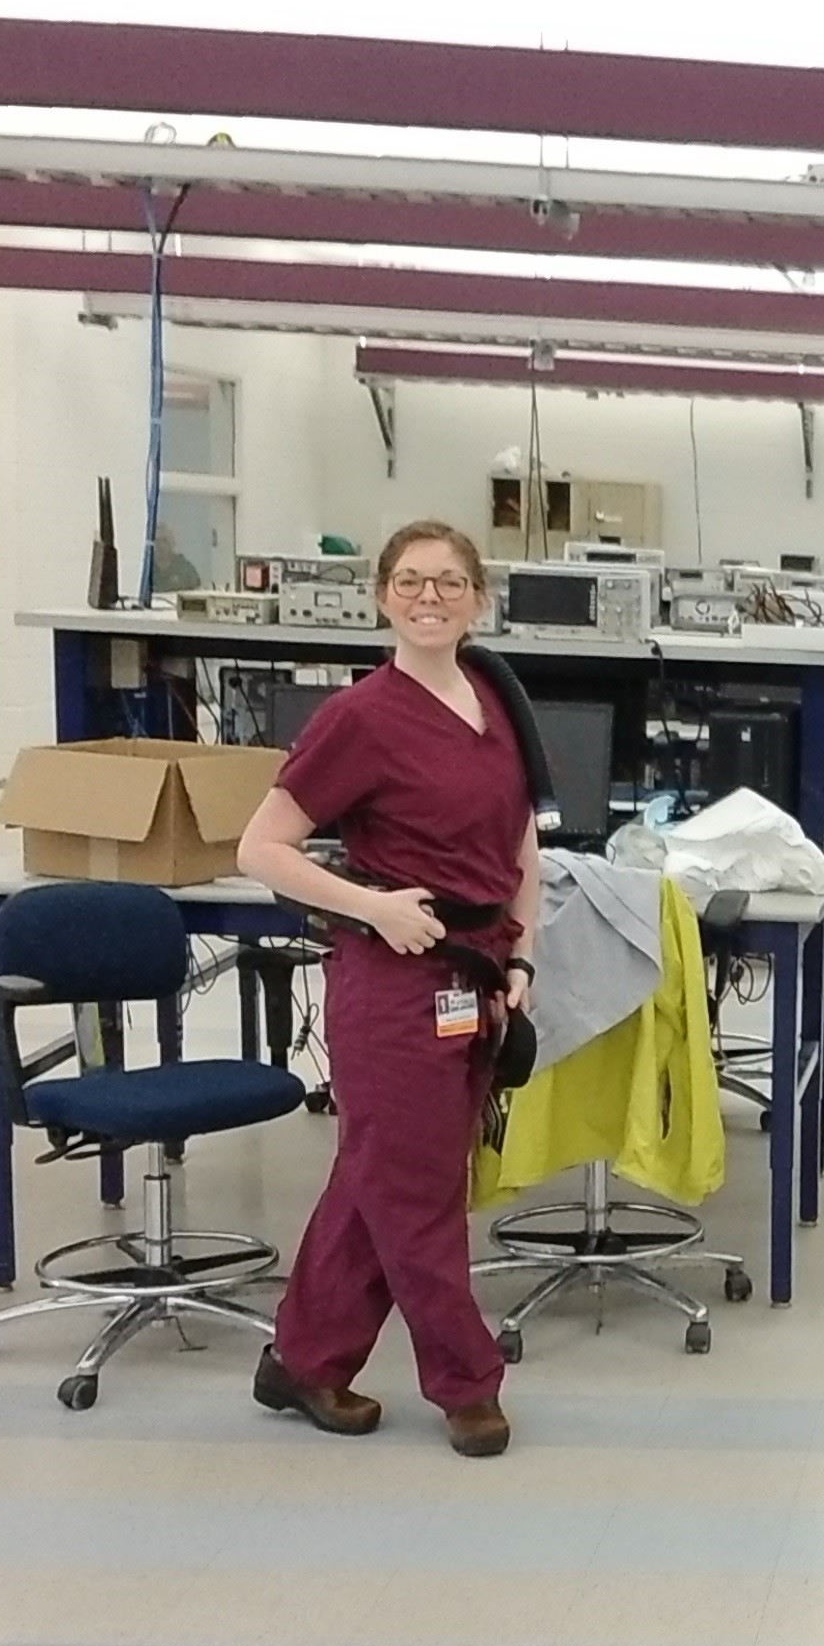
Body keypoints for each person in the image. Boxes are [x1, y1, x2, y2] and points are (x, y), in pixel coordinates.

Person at [234, 520, 538, 1458]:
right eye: (409, 581)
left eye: (449, 582)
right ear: (381, 596)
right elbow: (260, 849)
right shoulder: (360, 716)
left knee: (380, 1177)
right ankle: (467, 1383)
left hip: (477, 973)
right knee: (416, 1194)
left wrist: (521, 960)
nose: (429, 597)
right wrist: (371, 908)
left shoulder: (494, 696)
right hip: (393, 981)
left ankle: (305, 1359)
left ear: (479, 597)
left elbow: (522, 845)